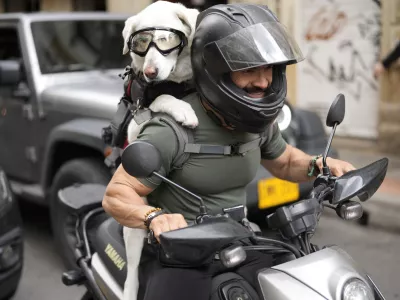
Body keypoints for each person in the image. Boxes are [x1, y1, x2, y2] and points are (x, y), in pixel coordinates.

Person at [102, 3, 355, 300]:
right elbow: (116, 195)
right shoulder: (171, 129)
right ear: (218, 71)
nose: (263, 81)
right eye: (249, 70)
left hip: (241, 240)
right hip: (181, 256)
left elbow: (285, 161)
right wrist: (154, 217)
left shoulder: (253, 122)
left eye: (269, 69)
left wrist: (321, 165)